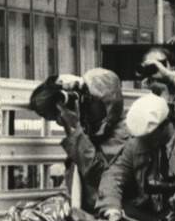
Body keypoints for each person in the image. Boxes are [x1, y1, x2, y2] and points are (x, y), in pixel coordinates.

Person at [29, 68, 130, 212]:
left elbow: (102, 179)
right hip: (87, 217)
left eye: (90, 101)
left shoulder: (124, 132)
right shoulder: (89, 132)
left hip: (113, 217)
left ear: (106, 102)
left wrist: (74, 129)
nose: (85, 106)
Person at [96, 93, 175, 221]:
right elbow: (114, 175)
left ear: (165, 125)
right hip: (146, 215)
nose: (144, 141)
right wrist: (111, 208)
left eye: (149, 136)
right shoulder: (136, 144)